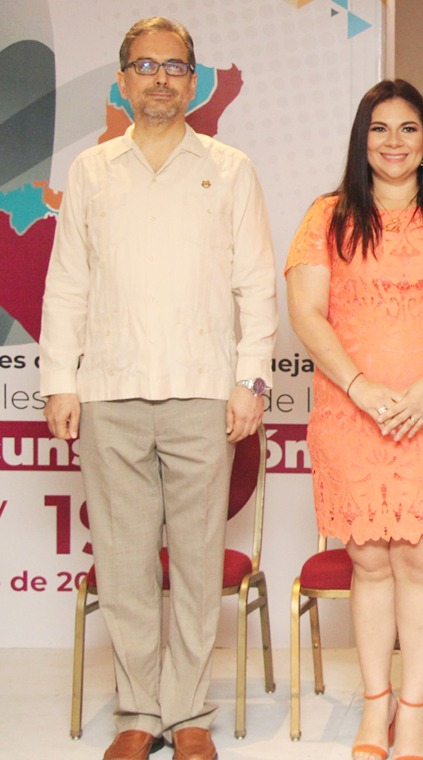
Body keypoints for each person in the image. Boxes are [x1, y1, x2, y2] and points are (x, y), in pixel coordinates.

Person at [39, 16, 277, 760]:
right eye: (145, 66)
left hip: (203, 390)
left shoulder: (230, 168)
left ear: (194, 81)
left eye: (174, 67)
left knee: (199, 561)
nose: (160, 79)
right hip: (108, 390)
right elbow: (67, 285)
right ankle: (139, 713)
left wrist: (250, 381)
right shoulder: (91, 171)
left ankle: (189, 714)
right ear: (122, 80)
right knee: (124, 561)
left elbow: (255, 284)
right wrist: (59, 381)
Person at [285, 79, 423, 760]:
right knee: (369, 561)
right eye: (379, 128)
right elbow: (306, 312)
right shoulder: (327, 217)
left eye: (408, 128)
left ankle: (413, 712)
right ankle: (374, 707)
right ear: (362, 139)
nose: (394, 142)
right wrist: (360, 386)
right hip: (353, 410)